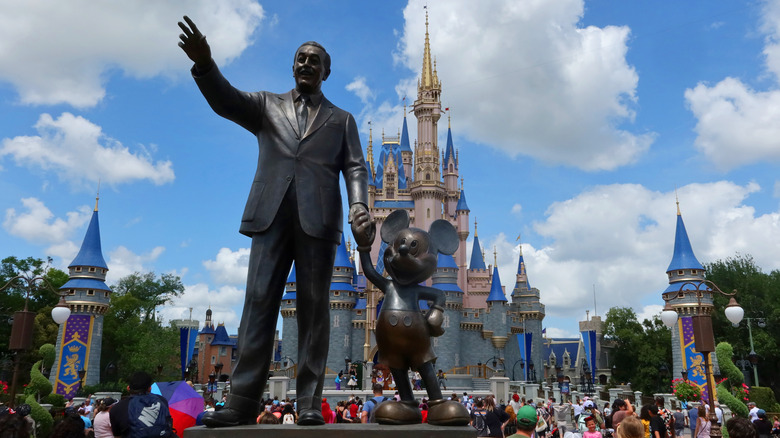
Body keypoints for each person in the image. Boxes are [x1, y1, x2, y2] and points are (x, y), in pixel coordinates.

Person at [177, 15, 369, 428]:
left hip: (318, 221)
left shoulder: (342, 120)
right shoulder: (266, 105)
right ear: (292, 65)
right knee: (259, 302)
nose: (305, 64)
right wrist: (205, 65)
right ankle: (242, 401)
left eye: (314, 60)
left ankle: (310, 402)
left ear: (326, 72)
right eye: (300, 58)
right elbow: (225, 100)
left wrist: (359, 206)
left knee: (315, 310)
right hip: (270, 215)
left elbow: (356, 167)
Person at [109, 371, 174, 438]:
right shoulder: (162, 401)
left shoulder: (117, 409)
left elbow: (117, 436)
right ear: (150, 388)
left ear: (128, 388)